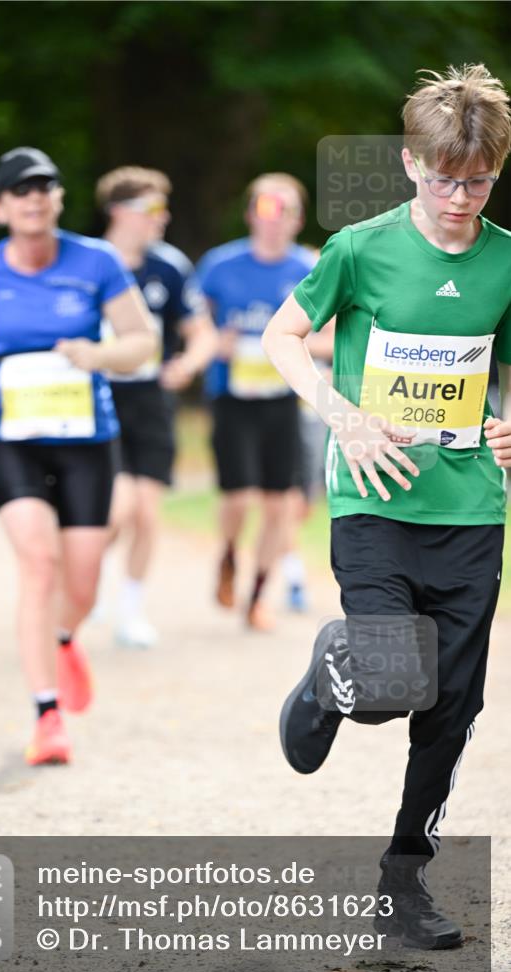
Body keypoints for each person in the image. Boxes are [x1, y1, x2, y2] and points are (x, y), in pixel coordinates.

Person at [263, 64, 510, 949]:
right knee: (385, 688)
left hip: (472, 513)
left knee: (449, 710)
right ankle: (334, 674)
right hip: (372, 500)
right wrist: (340, 413)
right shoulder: (360, 249)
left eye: (477, 180)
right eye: (444, 178)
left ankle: (402, 887)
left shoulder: (506, 259)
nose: (459, 197)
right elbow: (282, 336)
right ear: (412, 165)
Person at [0, 147, 156, 766]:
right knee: (38, 564)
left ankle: (64, 636)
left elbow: (143, 342)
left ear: (59, 199)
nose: (33, 198)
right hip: (13, 439)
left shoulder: (96, 260)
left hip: (87, 441)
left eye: (45, 187)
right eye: (19, 189)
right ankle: (47, 715)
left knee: (84, 581)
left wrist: (99, 354)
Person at [94, 166, 217, 648]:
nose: (161, 219)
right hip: (100, 398)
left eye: (163, 210)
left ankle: (130, 610)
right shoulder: (89, 262)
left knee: (146, 514)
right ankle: (88, 578)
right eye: (151, 210)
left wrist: (188, 364)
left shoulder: (169, 266)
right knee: (114, 511)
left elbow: (200, 331)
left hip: (150, 399)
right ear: (119, 212)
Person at [197, 174, 321, 632]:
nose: (275, 219)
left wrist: (294, 348)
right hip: (232, 398)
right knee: (239, 497)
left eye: (285, 210)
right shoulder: (218, 265)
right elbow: (194, 327)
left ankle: (257, 595)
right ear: (250, 213)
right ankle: (228, 554)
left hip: (282, 400)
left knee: (279, 505)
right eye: (266, 208)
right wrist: (216, 343)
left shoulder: (308, 268)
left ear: (298, 219)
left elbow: (328, 336)